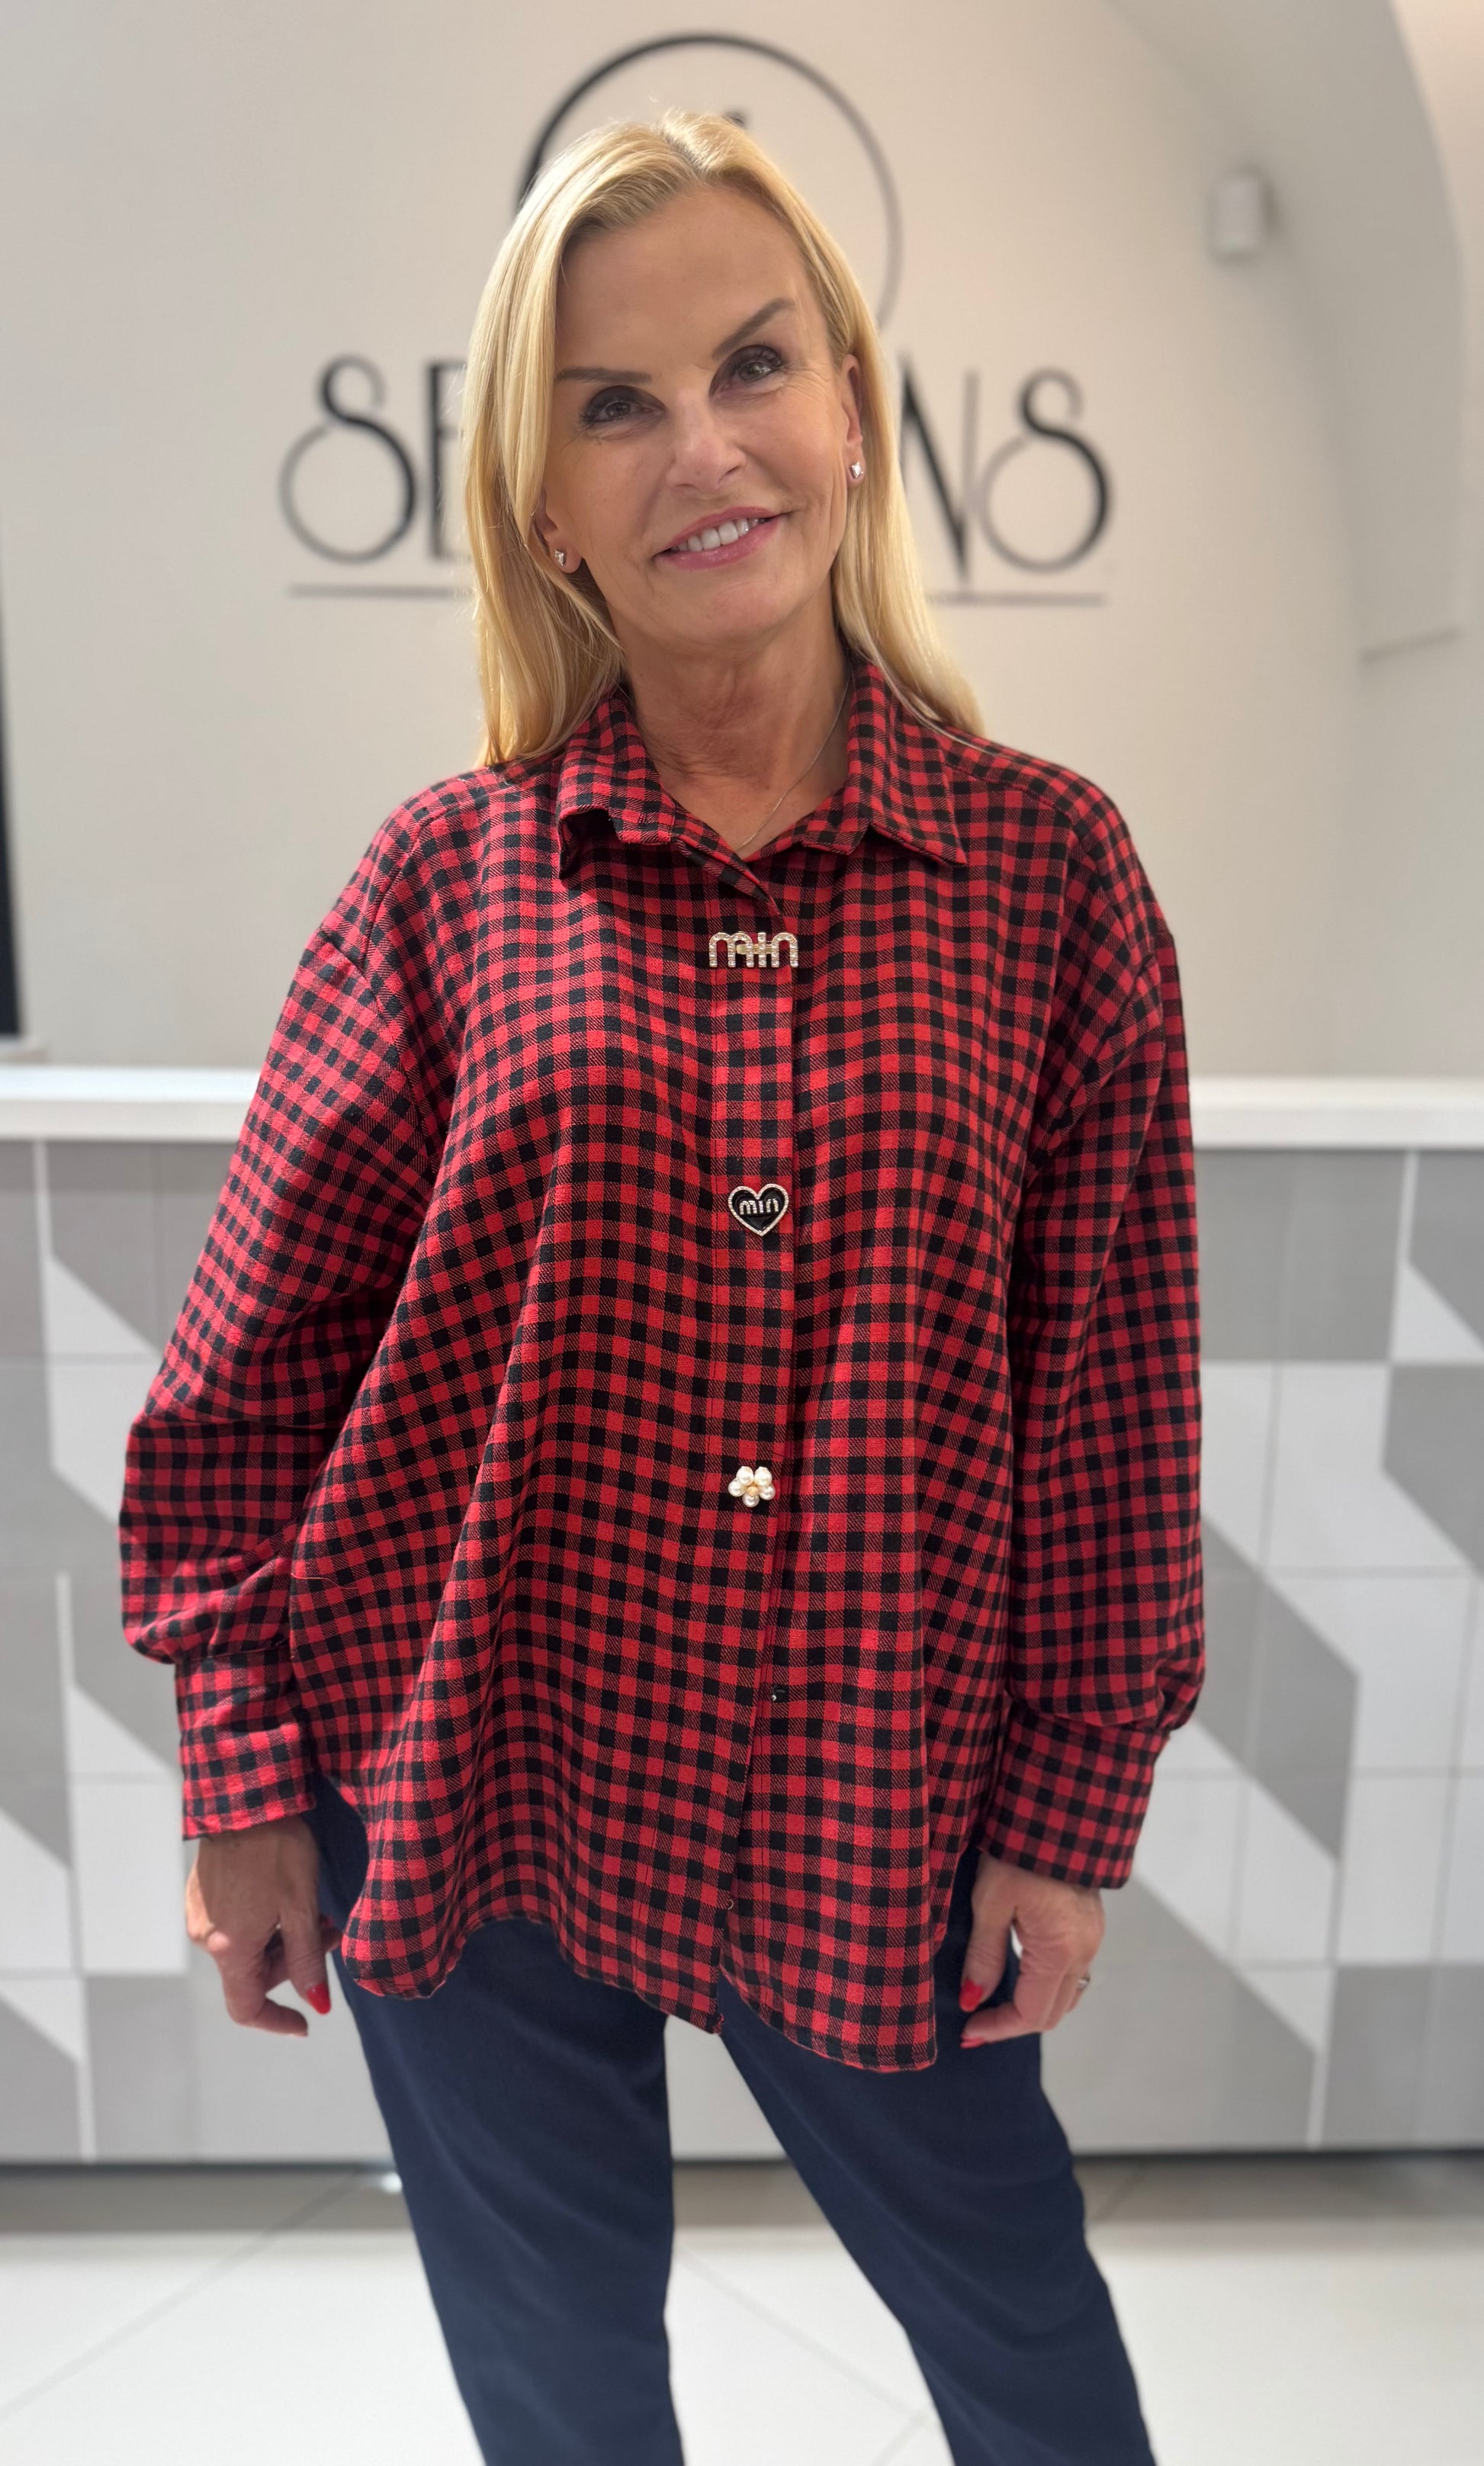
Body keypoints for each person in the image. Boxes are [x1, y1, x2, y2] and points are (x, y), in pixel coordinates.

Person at [120, 108, 1203, 2466]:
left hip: (876, 1780)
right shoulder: (441, 884)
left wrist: (1067, 1803)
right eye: (614, 402)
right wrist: (243, 1776)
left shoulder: (1051, 875)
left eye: (752, 364)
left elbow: (1109, 1395)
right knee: (560, 2387)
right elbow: (248, 1375)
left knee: (1025, 2341)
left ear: (852, 410)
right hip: (474, 1759)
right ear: (545, 506)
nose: (701, 445)